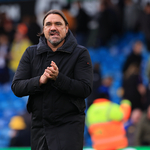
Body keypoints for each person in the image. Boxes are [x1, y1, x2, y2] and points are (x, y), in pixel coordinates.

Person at [11, 9, 93, 150]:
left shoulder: (80, 53)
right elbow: (17, 87)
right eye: (48, 24)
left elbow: (85, 89)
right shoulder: (31, 53)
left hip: (69, 127)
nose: (53, 28)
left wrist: (58, 78)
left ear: (66, 28)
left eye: (58, 24)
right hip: (39, 128)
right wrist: (40, 81)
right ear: (43, 29)